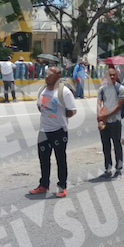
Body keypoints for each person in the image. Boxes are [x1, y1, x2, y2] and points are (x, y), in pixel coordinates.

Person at [28, 66, 77, 198]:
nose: (47, 76)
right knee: (43, 159)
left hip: (59, 131)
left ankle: (62, 186)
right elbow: (40, 107)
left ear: (58, 76)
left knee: (60, 159)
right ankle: (43, 185)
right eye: (46, 74)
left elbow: (72, 110)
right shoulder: (42, 90)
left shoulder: (64, 92)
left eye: (50, 74)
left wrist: (59, 119)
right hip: (44, 131)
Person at [97, 68, 124, 179]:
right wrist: (99, 115)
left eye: (114, 75)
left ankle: (119, 167)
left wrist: (105, 116)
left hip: (115, 120)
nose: (111, 77)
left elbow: (118, 106)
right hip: (104, 121)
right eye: (109, 75)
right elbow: (99, 102)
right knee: (106, 146)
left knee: (117, 144)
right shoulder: (102, 89)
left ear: (117, 76)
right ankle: (108, 168)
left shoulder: (121, 89)